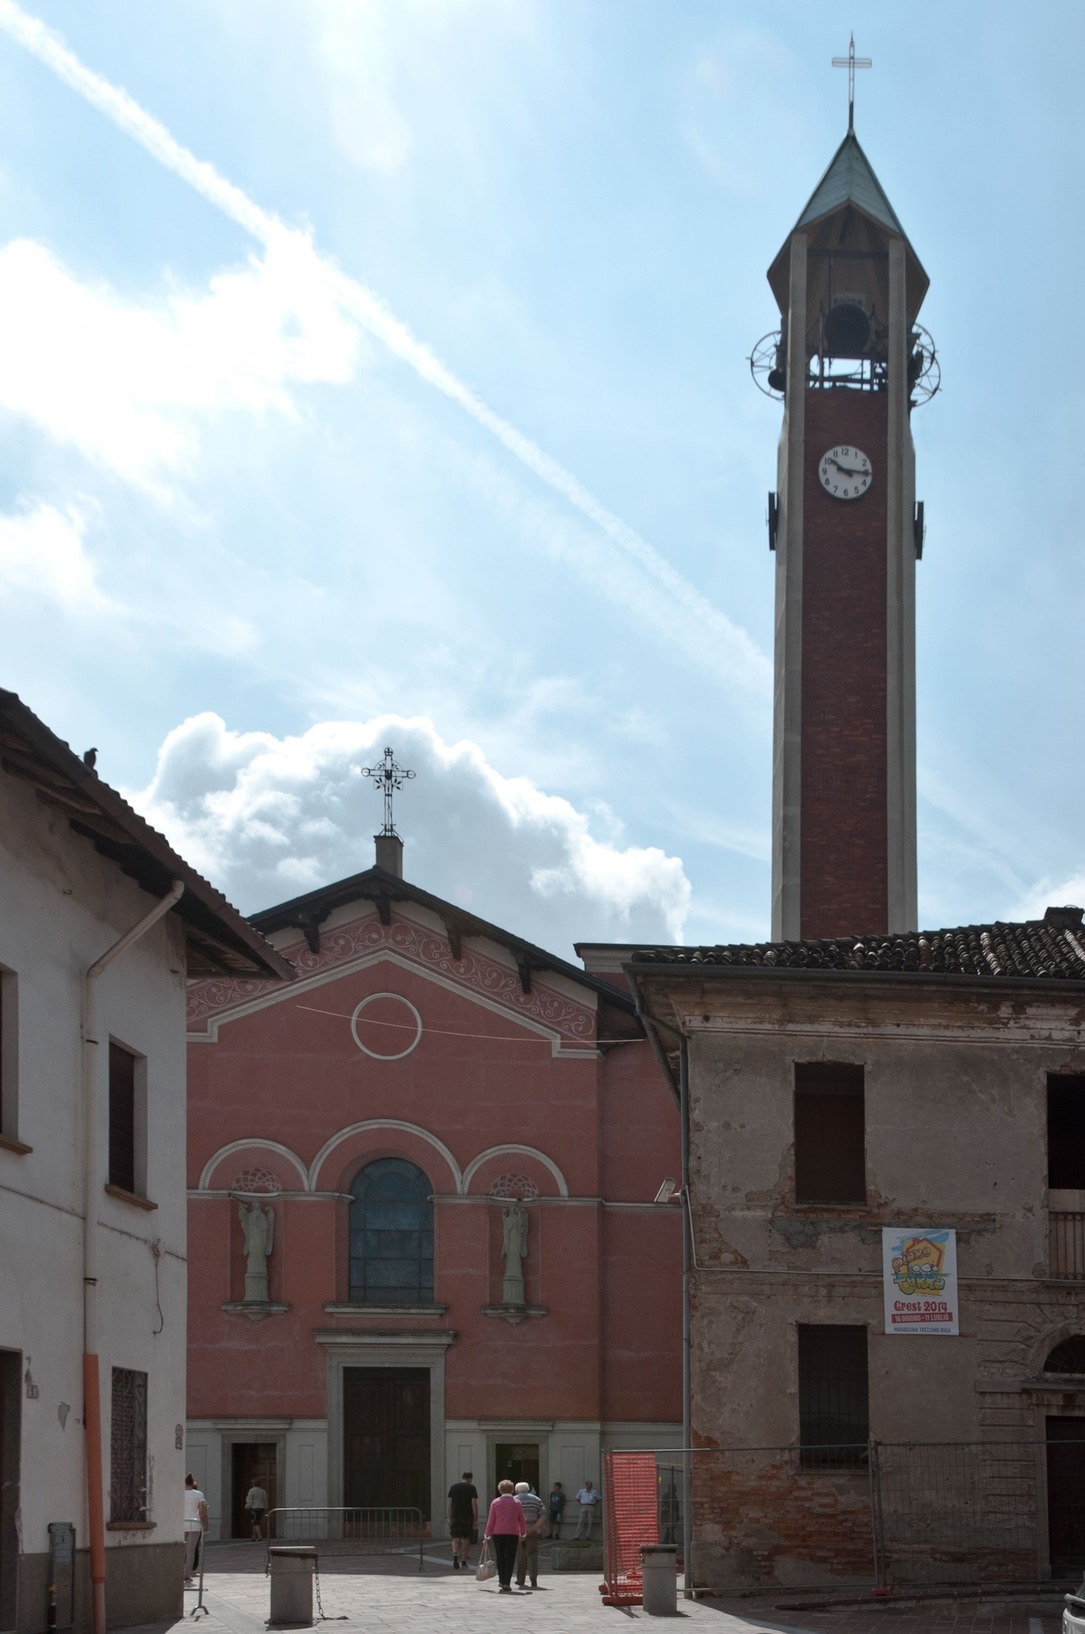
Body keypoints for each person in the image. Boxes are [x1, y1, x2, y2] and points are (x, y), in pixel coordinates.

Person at [484, 1478, 526, 1592]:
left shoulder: (495, 1502)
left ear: (500, 1489)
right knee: (510, 1557)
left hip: (498, 1533)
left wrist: (487, 1535)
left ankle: (501, 1580)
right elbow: (521, 1519)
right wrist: (523, 1532)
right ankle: (507, 1582)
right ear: (512, 1489)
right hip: (512, 1533)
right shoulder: (517, 1502)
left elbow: (491, 1520)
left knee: (500, 1556)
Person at [514, 1481, 547, 1590]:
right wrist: (534, 1527)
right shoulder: (537, 1499)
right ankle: (533, 1579)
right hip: (533, 1531)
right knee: (532, 1555)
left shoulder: (515, 1499)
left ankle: (520, 1579)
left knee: (520, 1555)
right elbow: (543, 1515)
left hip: (519, 1532)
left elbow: (512, 1516)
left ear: (517, 1489)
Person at [447, 1470, 478, 1570]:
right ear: (470, 1478)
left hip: (455, 1516)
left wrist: (450, 1516)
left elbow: (450, 1504)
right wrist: (475, 1518)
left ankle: (455, 1553)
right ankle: (464, 1561)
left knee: (455, 1537)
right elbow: (473, 1504)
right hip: (467, 1516)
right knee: (466, 1538)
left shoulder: (453, 1487)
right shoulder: (471, 1488)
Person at [183, 1474, 208, 1584]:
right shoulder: (199, 1494)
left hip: (181, 1523)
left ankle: (178, 1571)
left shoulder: (179, 1493)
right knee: (191, 1551)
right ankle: (187, 1574)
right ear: (193, 1483)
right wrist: (206, 1525)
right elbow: (202, 1512)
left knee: (180, 1549)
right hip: (195, 1523)